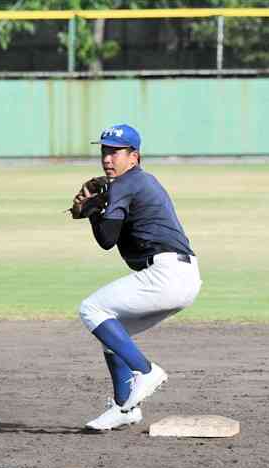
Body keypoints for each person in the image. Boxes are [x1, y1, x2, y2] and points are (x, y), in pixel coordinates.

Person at [74, 124, 202, 431]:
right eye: (104, 151)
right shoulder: (138, 182)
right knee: (112, 334)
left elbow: (107, 239)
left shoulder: (127, 183)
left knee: (92, 309)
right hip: (183, 277)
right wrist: (96, 211)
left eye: (115, 152)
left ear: (134, 156)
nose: (107, 158)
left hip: (167, 274)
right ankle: (125, 407)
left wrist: (93, 210)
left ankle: (145, 371)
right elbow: (112, 237)